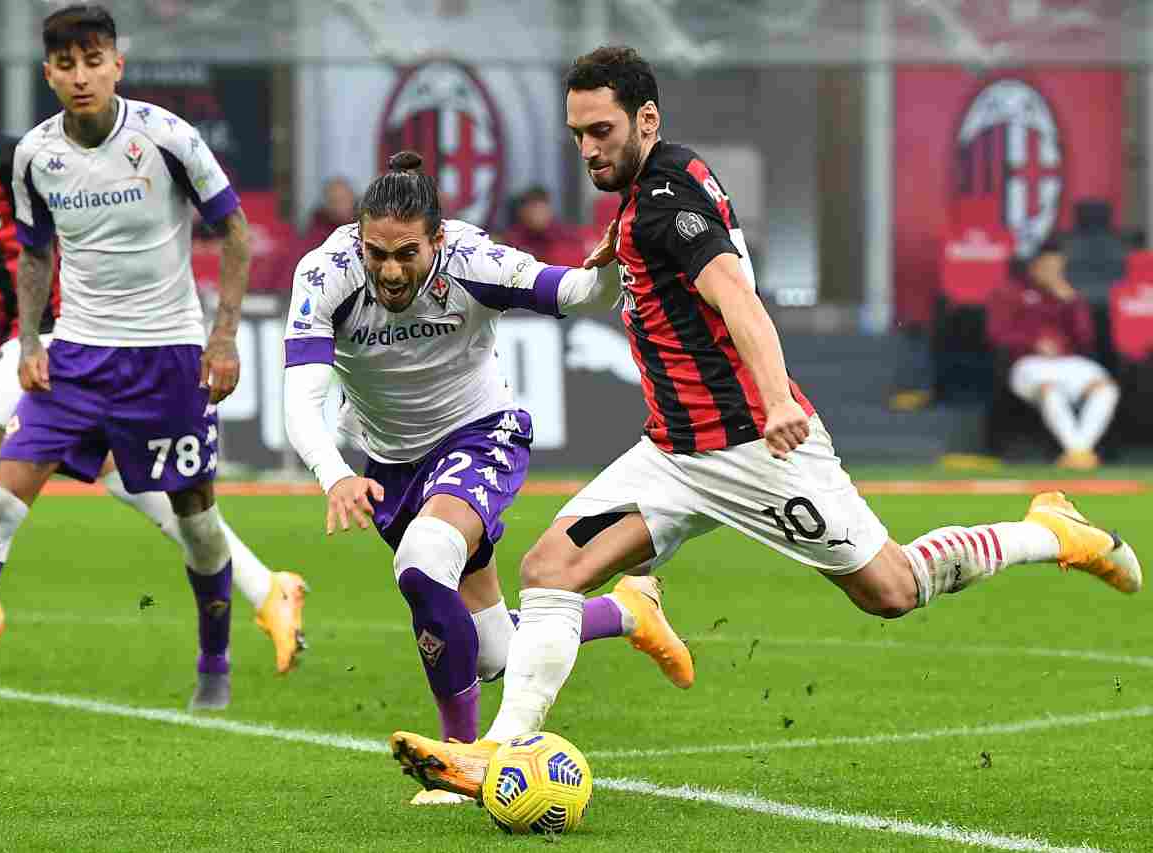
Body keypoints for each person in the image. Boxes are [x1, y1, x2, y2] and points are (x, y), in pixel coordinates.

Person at [389, 45, 1143, 798]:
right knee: (549, 568)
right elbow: (666, 250)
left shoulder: (664, 206)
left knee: (893, 587)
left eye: (602, 131)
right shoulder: (666, 179)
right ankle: (498, 749)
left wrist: (777, 396)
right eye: (578, 133)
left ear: (646, 119)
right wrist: (616, 248)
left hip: (755, 449)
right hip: (672, 456)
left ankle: (1054, 532)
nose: (588, 149)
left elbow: (738, 298)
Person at [0, 5, 280, 715]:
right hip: (77, 358)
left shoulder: (166, 136)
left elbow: (236, 234)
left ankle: (214, 660)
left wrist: (221, 339)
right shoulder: (36, 154)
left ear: (117, 64)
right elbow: (34, 253)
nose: (81, 75)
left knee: (195, 519)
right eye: (66, 65)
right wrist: (31, 342)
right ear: (49, 74)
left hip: (167, 358)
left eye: (94, 60)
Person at [283, 150, 693, 804]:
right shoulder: (324, 275)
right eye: (376, 252)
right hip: (389, 465)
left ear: (438, 241)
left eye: (407, 254)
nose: (389, 270)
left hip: (480, 435)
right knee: (492, 651)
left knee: (422, 562)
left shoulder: (476, 262)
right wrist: (334, 474)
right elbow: (300, 397)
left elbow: (578, 292)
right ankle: (626, 610)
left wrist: (611, 266)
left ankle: (461, 762)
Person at [987, 236, 1121, 470]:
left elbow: (1086, 339)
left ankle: (1077, 453)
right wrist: (1032, 343)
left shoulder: (1068, 296)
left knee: (1106, 388)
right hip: (1028, 363)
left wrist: (1073, 303)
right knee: (1051, 389)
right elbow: (997, 334)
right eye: (1048, 267)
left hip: (1069, 363)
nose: (1053, 272)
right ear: (1034, 266)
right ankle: (1080, 453)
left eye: (1058, 267)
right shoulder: (1010, 292)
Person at [496, 186, 582, 267]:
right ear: (522, 212)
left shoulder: (565, 236)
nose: (537, 214)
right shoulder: (513, 240)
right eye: (533, 208)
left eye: (541, 208)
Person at [297, 176, 359, 255]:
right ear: (327, 205)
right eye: (334, 201)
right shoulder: (317, 231)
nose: (340, 206)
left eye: (344, 199)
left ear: (353, 199)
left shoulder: (364, 225)